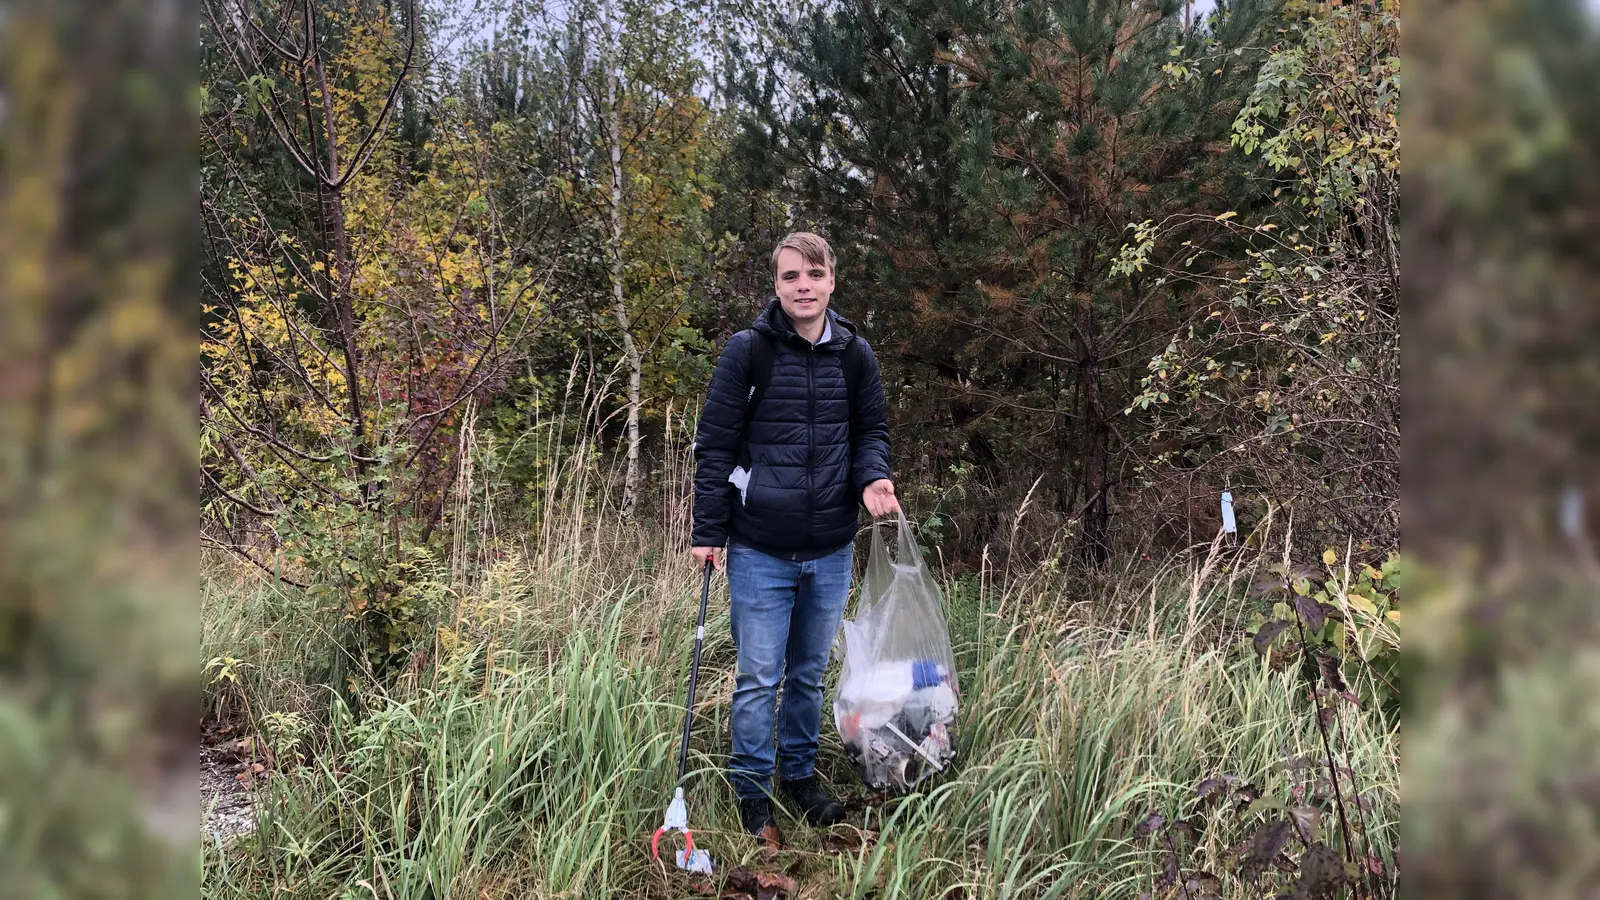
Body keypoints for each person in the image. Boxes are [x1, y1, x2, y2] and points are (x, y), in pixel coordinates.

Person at [690, 231, 898, 850]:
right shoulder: (747, 352)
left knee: (808, 674)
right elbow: (716, 445)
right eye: (790, 277)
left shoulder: (855, 354)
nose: (802, 286)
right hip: (758, 548)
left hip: (831, 546)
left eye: (813, 274)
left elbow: (871, 433)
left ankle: (800, 776)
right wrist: (709, 530)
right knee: (758, 676)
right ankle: (753, 790)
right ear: (776, 285)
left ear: (832, 280)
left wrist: (873, 479)